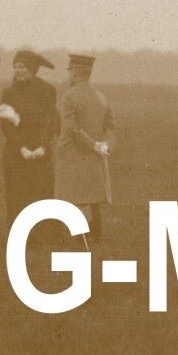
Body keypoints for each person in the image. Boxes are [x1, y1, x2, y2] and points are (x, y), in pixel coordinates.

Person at [55, 53, 116, 248]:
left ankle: (77, 239)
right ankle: (94, 238)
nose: (69, 75)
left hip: (73, 156)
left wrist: (93, 145)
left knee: (73, 197)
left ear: (75, 73)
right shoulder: (101, 98)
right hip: (95, 156)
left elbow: (71, 129)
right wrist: (104, 145)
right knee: (93, 196)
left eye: (70, 71)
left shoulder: (69, 97)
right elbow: (110, 127)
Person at [0, 49, 61, 222]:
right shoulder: (8, 93)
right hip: (15, 153)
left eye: (23, 67)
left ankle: (42, 237)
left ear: (33, 69)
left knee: (41, 195)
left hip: (41, 153)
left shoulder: (47, 90)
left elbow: (52, 121)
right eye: (16, 67)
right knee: (16, 196)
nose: (19, 70)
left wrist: (44, 146)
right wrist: (22, 148)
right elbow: (6, 126)